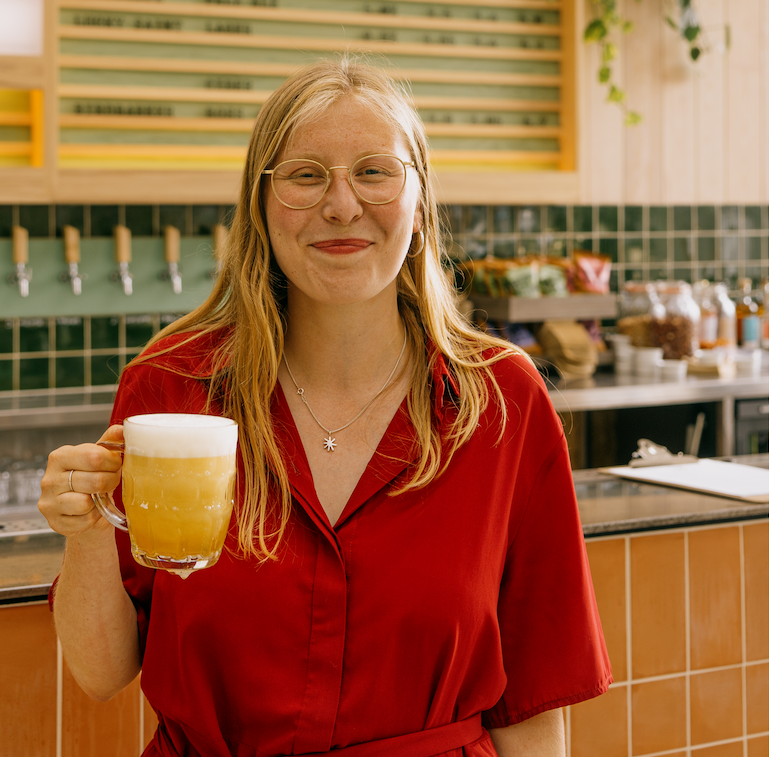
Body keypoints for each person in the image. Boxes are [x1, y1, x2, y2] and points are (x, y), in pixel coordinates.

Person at [40, 58, 609, 757]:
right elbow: (101, 672)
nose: (341, 206)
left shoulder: (502, 401)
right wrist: (87, 527)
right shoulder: (171, 387)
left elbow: (530, 701)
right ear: (261, 204)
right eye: (305, 176)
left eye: (373, 171)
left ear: (419, 202)